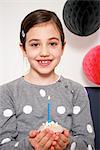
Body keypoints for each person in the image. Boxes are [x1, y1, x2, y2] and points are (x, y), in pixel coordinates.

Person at [0, 9, 95, 150]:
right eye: (34, 44)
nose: (44, 53)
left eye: (52, 44)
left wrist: (67, 143)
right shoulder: (7, 92)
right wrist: (30, 145)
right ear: (23, 49)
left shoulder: (76, 91)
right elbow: (3, 145)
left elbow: (88, 145)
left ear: (63, 47)